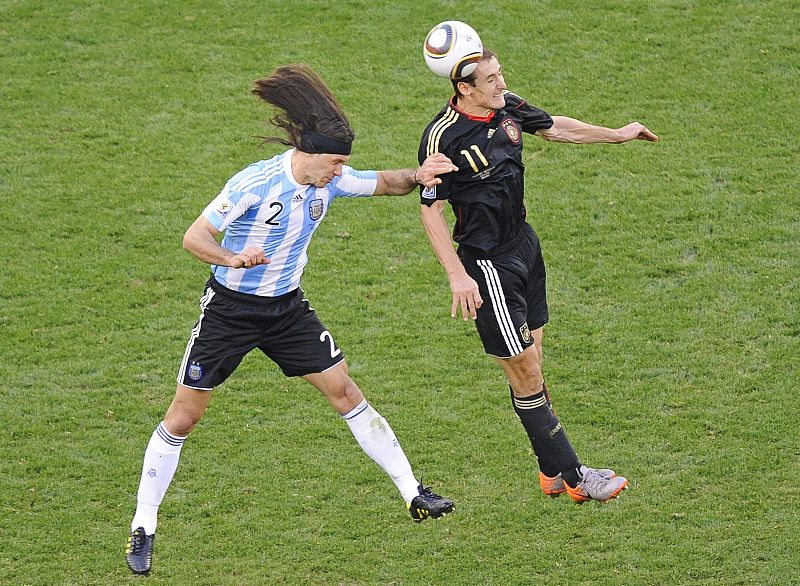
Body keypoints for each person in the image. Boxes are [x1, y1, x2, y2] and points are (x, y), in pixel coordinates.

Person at [125, 64, 459, 576]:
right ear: (310, 153)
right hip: (230, 313)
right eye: (336, 162)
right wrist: (231, 259)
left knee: (346, 392)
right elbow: (195, 238)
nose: (340, 171)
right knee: (184, 417)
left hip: (287, 310)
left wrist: (418, 176)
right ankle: (143, 526)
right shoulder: (253, 184)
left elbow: (387, 184)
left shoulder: (332, 180)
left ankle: (413, 493)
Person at [418, 49, 658, 504]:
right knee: (524, 370)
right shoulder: (442, 137)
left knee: (533, 360)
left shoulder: (508, 105)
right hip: (486, 265)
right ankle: (575, 475)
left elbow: (556, 128)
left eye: (500, 73)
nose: (500, 83)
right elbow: (431, 210)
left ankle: (549, 470)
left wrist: (618, 135)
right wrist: (457, 276)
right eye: (490, 79)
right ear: (463, 89)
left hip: (525, 247)